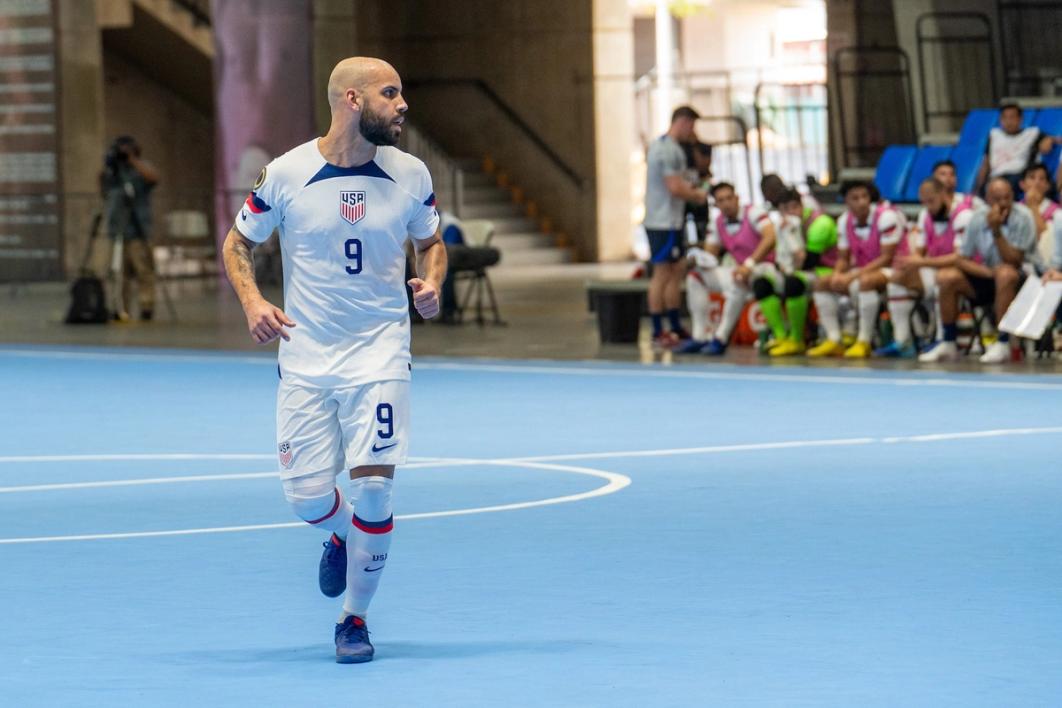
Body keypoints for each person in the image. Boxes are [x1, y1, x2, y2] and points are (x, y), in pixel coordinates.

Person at [221, 57, 447, 663]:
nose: (403, 105)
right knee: (305, 496)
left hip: (380, 354)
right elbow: (238, 241)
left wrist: (430, 283)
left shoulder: (411, 172)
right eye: (390, 93)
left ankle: (354, 619)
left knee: (374, 494)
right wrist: (252, 301)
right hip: (305, 356)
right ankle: (343, 536)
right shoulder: (286, 173)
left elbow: (431, 242)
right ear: (352, 99)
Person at [919, 178, 1039, 364]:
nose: (1003, 203)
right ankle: (949, 343)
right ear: (988, 200)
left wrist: (996, 230)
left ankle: (1003, 343)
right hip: (990, 275)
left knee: (1005, 273)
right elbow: (962, 258)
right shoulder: (977, 217)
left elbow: (1014, 260)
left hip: (1023, 280)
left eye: (1007, 197)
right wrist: (987, 273)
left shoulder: (1023, 216)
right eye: (997, 198)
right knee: (946, 277)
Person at [876, 177, 974, 358]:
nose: (928, 206)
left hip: (964, 273)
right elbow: (920, 253)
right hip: (934, 268)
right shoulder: (925, 215)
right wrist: (908, 263)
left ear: (944, 194)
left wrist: (921, 263)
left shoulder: (963, 215)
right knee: (897, 279)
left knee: (944, 279)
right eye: (924, 202)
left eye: (932, 201)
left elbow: (960, 257)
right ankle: (903, 341)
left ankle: (942, 339)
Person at [808, 181, 905, 358]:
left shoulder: (886, 217)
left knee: (864, 282)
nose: (861, 202)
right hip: (862, 271)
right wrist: (838, 274)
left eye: (864, 197)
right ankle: (834, 339)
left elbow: (886, 258)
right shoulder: (844, 221)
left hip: (894, 270)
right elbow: (843, 258)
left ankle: (864, 340)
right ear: (846, 201)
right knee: (822, 283)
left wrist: (853, 276)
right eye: (855, 198)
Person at [679, 182, 777, 355]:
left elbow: (770, 238)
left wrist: (749, 264)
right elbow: (710, 253)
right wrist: (698, 259)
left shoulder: (754, 212)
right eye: (721, 200)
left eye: (729, 198)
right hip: (739, 271)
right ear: (716, 204)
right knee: (695, 277)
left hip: (765, 268)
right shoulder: (717, 222)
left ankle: (721, 338)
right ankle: (700, 336)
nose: (726, 203)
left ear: (737, 198)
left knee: (737, 278)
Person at [643, 106, 709, 347]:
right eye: (691, 125)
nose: (693, 131)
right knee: (662, 273)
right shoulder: (666, 150)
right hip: (663, 222)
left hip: (672, 219)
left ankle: (674, 324)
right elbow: (675, 187)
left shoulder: (670, 148)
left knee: (677, 268)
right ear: (682, 122)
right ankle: (658, 329)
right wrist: (698, 195)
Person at [765, 187, 838, 356]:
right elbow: (781, 261)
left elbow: (806, 262)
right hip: (802, 271)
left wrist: (790, 236)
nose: (789, 213)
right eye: (783, 210)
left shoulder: (820, 223)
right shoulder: (783, 226)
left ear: (801, 205)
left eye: (793, 207)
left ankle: (797, 339)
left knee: (793, 283)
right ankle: (781, 335)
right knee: (763, 282)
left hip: (825, 271)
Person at [98, 135, 160, 320]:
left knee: (143, 270)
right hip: (118, 230)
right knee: (119, 273)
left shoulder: (139, 169)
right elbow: (104, 190)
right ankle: (120, 308)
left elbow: (154, 178)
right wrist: (110, 165)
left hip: (138, 229)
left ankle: (146, 306)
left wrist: (132, 160)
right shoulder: (113, 172)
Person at [975, 103, 1056, 197]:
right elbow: (986, 162)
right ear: (1000, 120)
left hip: (1020, 175)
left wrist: (1049, 139)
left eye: (1012, 117)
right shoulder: (994, 135)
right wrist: (978, 186)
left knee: (1045, 183)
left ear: (1020, 119)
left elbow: (1055, 139)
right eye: (1005, 118)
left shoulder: (1032, 133)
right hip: (996, 177)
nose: (1008, 121)